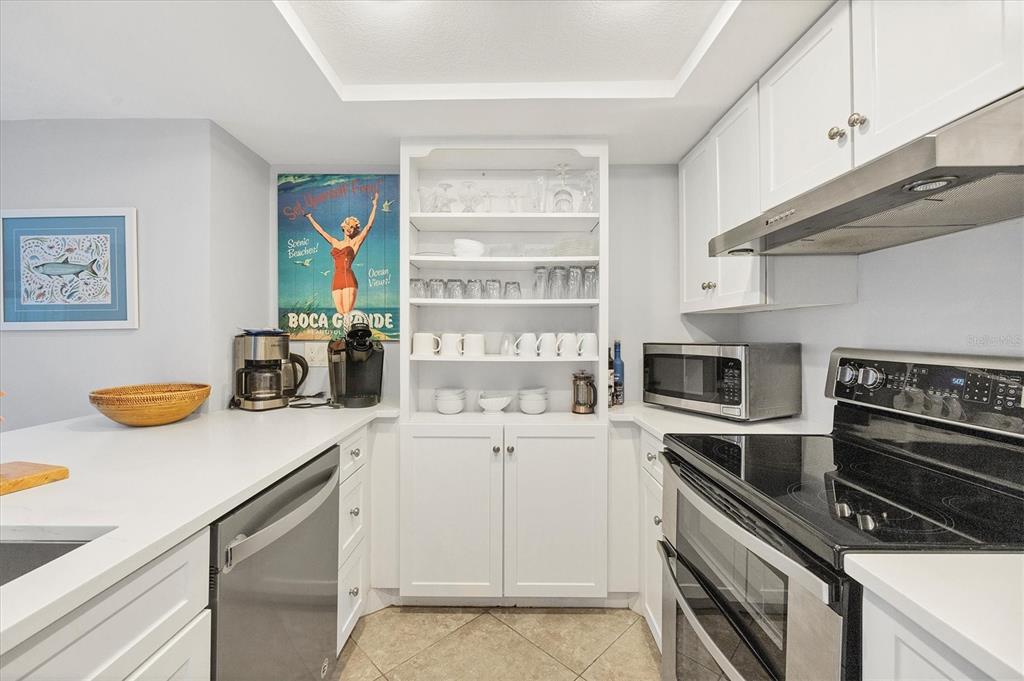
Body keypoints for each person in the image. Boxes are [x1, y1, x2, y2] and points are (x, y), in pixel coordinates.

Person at [304, 192, 378, 316]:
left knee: (347, 314)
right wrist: (310, 217)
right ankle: (345, 335)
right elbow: (320, 231)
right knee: (340, 312)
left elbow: (369, 226)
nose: (350, 228)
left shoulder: (355, 243)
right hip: (336, 279)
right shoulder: (335, 242)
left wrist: (375, 205)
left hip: (349, 279)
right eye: (348, 225)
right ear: (343, 226)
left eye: (353, 227)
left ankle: (349, 335)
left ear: (355, 230)